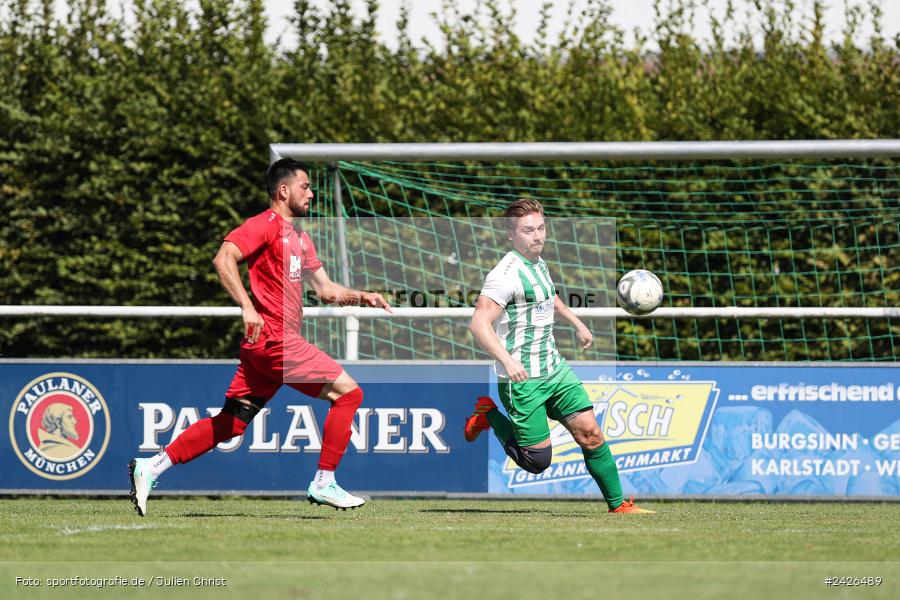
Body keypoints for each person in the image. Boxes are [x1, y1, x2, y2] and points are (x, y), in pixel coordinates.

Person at [129, 158, 392, 515]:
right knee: (349, 394)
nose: (311, 194)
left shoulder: (300, 238)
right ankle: (324, 481)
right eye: (305, 187)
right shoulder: (264, 225)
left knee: (232, 423)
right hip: (275, 340)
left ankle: (152, 466)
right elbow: (224, 259)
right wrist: (246, 305)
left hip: (263, 349)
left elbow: (327, 290)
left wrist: (365, 297)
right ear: (283, 191)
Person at [465, 198, 653, 513]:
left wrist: (578, 324)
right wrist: (508, 361)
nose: (537, 236)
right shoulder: (504, 275)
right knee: (536, 461)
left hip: (555, 371)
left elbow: (549, 298)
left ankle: (618, 505)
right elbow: (478, 324)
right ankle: (488, 415)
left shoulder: (539, 264)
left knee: (591, 433)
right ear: (511, 235)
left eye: (541, 228)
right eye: (528, 230)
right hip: (523, 379)